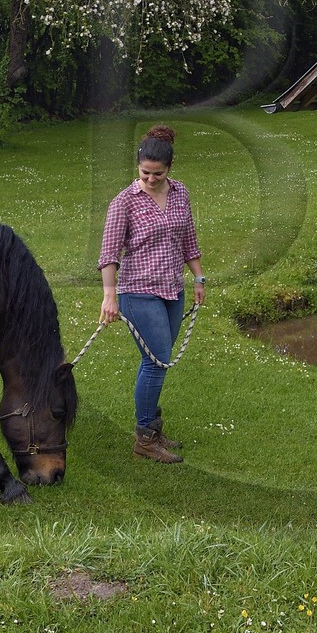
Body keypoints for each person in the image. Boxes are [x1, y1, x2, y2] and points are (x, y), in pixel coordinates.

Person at [98, 124, 205, 463]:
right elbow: (109, 254)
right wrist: (109, 297)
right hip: (138, 292)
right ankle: (144, 438)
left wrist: (199, 278)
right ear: (138, 166)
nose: (151, 179)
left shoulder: (181, 193)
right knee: (156, 361)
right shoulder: (124, 202)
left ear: (169, 168)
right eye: (145, 173)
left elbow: (189, 238)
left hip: (174, 290)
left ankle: (152, 430)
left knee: (159, 360)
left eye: (157, 173)